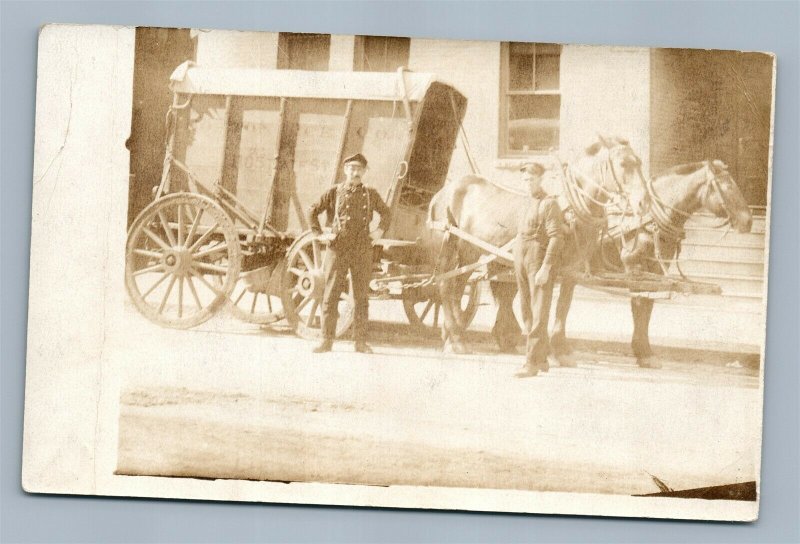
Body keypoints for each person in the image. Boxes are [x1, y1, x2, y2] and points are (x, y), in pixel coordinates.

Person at [308, 153, 391, 354]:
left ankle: (360, 342)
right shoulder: (334, 192)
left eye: (359, 170)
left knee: (361, 296)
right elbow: (312, 210)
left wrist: (379, 231)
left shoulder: (371, 194)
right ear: (345, 170)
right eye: (352, 169)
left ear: (364, 172)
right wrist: (319, 235)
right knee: (330, 293)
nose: (355, 173)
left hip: (362, 248)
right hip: (338, 247)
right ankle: (326, 340)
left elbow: (386, 213)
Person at [513, 162, 571, 378]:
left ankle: (531, 362)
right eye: (525, 180)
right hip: (521, 253)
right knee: (526, 308)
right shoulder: (525, 202)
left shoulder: (549, 204)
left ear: (540, 180)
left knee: (539, 311)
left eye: (532, 180)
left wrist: (546, 267)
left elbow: (556, 238)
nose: (528, 184)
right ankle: (542, 358)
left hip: (538, 256)